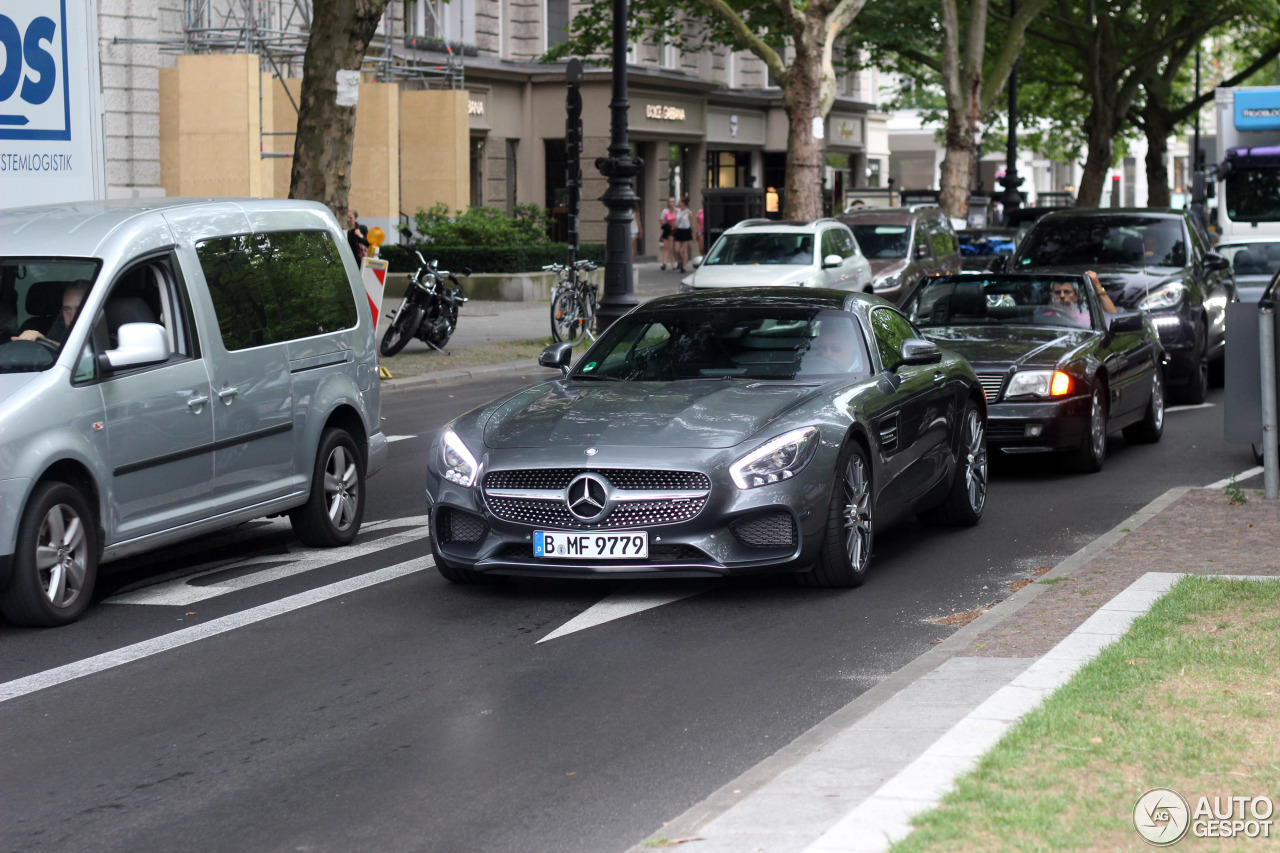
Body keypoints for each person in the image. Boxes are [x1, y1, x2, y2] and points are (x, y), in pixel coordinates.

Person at [11, 281, 88, 347]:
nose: (73, 317)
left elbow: (84, 356)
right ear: (61, 311)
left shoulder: (98, 334)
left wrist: (46, 341)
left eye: (80, 309)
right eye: (67, 309)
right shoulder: (55, 330)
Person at [674, 197, 694, 273]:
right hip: (679, 230)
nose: (678, 203)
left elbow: (692, 224)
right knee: (677, 249)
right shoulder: (677, 211)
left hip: (686, 231)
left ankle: (684, 266)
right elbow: (676, 221)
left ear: (683, 203)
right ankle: (680, 260)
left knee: (684, 250)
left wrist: (693, 234)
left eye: (680, 201)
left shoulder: (689, 212)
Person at [659, 197, 677, 270]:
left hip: (674, 230)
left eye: (672, 202)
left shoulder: (677, 211)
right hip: (667, 230)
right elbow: (661, 220)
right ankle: (664, 263)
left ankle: (674, 263)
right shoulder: (665, 211)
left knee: (672, 247)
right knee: (666, 246)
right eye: (670, 202)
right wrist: (665, 224)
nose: (671, 203)